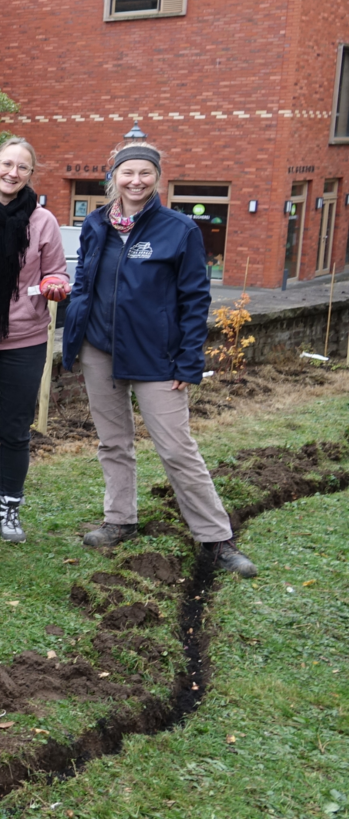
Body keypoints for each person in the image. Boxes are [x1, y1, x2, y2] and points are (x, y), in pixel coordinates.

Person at [62, 142, 257, 577]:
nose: (136, 181)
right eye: (127, 173)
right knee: (113, 442)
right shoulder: (95, 223)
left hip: (157, 358)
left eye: (145, 173)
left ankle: (216, 538)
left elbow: (194, 299)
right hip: (100, 350)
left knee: (176, 447)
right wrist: (76, 332)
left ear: (157, 178)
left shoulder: (179, 229)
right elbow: (85, 281)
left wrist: (188, 362)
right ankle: (120, 521)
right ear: (113, 176)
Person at [0, 137, 71, 544]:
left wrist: (55, 283)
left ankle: (10, 507)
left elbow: (56, 272)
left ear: (30, 175)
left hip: (25, 338)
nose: (13, 173)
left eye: (22, 167)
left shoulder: (43, 222)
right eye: (6, 164)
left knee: (16, 428)